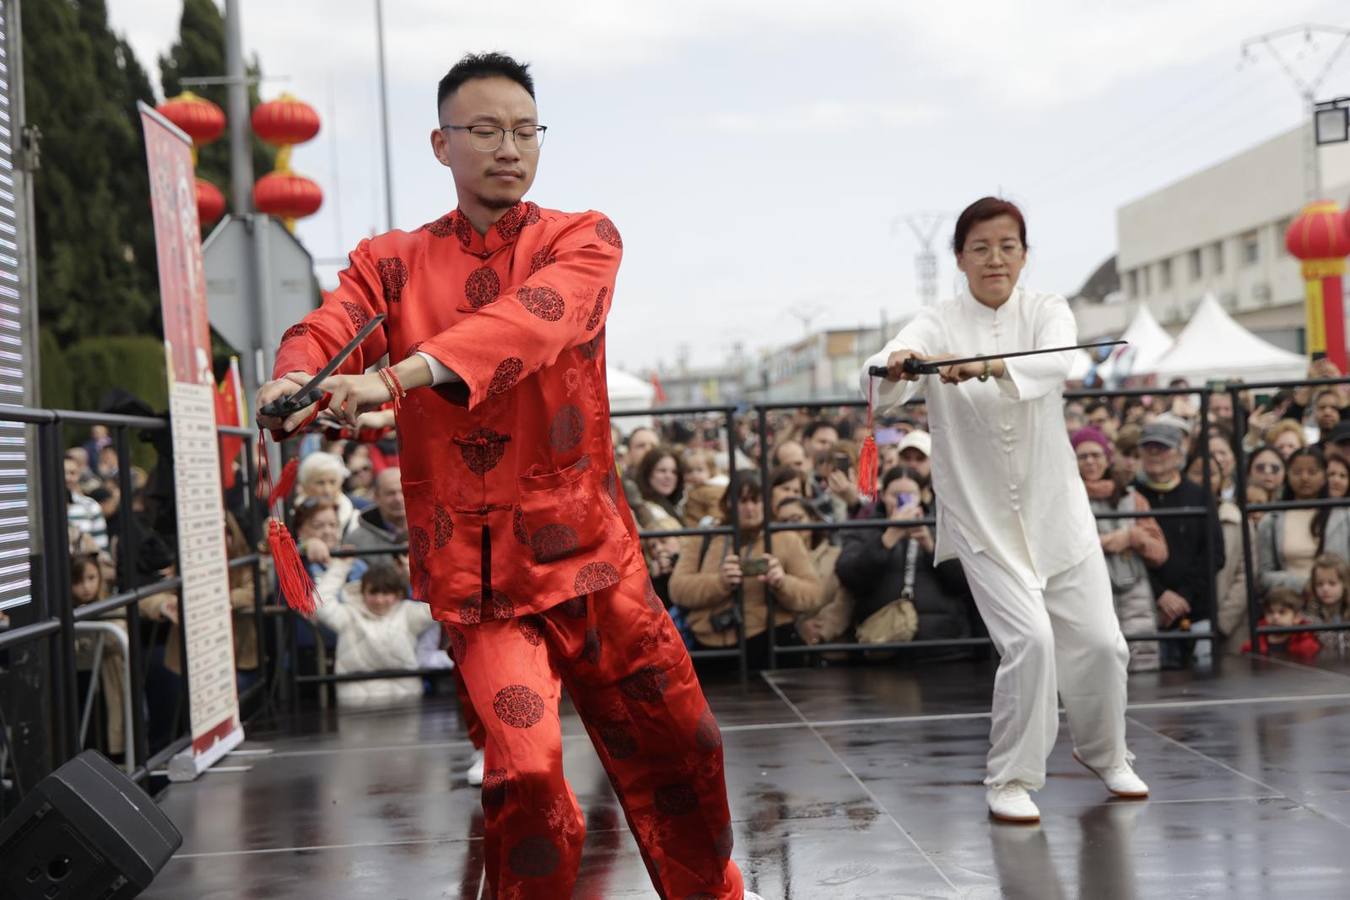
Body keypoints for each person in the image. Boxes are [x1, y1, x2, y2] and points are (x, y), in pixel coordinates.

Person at [256, 52, 753, 899]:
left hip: (594, 562)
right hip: (478, 577)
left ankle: (712, 891)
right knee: (522, 775)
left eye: (525, 130)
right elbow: (331, 323)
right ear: (441, 143)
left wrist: (397, 376)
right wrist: (293, 374)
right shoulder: (392, 262)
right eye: (484, 130)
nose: (508, 148)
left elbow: (532, 323)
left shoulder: (581, 238)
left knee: (685, 747)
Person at [862, 196, 1145, 823]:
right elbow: (880, 376)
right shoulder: (935, 321)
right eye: (981, 247)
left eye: (1008, 246)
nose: (996, 258)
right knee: (1032, 642)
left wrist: (987, 367)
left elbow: (1055, 363)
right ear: (959, 257)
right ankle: (1011, 777)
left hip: (1057, 511)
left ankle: (1108, 753)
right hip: (982, 520)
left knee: (1102, 643)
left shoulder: (1047, 309)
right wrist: (902, 367)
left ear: (1023, 254)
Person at [668, 474, 822, 668]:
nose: (750, 508)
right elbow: (677, 589)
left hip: (768, 642)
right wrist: (720, 582)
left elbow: (813, 594)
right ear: (728, 503)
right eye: (742, 501)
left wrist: (782, 582)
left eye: (756, 501)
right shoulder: (703, 539)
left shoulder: (786, 539)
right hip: (710, 644)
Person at [835, 467, 973, 649]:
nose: (902, 502)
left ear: (922, 496)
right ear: (883, 495)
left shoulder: (942, 526)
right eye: (896, 495)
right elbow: (849, 575)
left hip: (943, 644)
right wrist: (887, 539)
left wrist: (931, 546)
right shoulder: (865, 527)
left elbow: (965, 582)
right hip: (882, 643)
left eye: (909, 495)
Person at [1073, 427, 1167, 673]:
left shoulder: (1132, 497)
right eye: (1082, 456)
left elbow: (1160, 552)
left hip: (1133, 589)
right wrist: (1106, 542)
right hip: (1085, 590)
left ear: (1107, 458)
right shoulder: (1064, 497)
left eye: (1095, 455)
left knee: (1143, 666)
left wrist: (1134, 538)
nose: (1090, 461)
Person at [1133, 423, 1225, 669]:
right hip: (1145, 609)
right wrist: (1159, 593)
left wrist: (1183, 596)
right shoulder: (1129, 496)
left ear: (1178, 454)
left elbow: (1214, 553)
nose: (1154, 453)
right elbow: (1127, 555)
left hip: (1195, 610)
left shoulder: (1199, 496)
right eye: (1148, 447)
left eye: (1162, 448)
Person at [312, 561, 437, 706]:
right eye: (373, 592)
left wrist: (412, 570)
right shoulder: (348, 615)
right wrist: (341, 566)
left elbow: (438, 602)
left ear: (397, 594)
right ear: (362, 592)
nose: (379, 600)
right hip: (357, 701)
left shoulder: (408, 613)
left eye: (386, 593)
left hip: (406, 697)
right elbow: (319, 602)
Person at [1256, 446, 1350, 595]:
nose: (1305, 478)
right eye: (1297, 472)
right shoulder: (1271, 520)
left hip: (1337, 605)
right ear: (1287, 475)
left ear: (1325, 476)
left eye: (1312, 472)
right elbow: (1264, 576)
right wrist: (1304, 585)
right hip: (1289, 603)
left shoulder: (1344, 516)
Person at [774, 496, 853, 646]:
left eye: (796, 519)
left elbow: (844, 599)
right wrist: (798, 628)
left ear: (812, 519)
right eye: (783, 522)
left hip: (829, 644)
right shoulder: (774, 561)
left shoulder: (835, 555)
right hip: (787, 642)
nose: (790, 526)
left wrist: (822, 628)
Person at [346, 467, 409, 565]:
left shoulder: (430, 529)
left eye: (403, 491)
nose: (398, 499)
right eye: (390, 493)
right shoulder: (357, 540)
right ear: (376, 496)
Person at [1241, 587, 1321, 659]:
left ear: (1297, 618)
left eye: (1282, 612)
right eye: (1270, 612)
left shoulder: (1306, 645)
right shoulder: (1254, 643)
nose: (1275, 617)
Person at [297, 451, 358, 534]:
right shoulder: (291, 516)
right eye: (320, 483)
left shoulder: (355, 519)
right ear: (305, 486)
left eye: (332, 482)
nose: (327, 490)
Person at [1307, 554, 1350, 654]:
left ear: (1345, 584)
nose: (1325, 589)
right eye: (1319, 584)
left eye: (1332, 583)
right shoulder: (1308, 615)